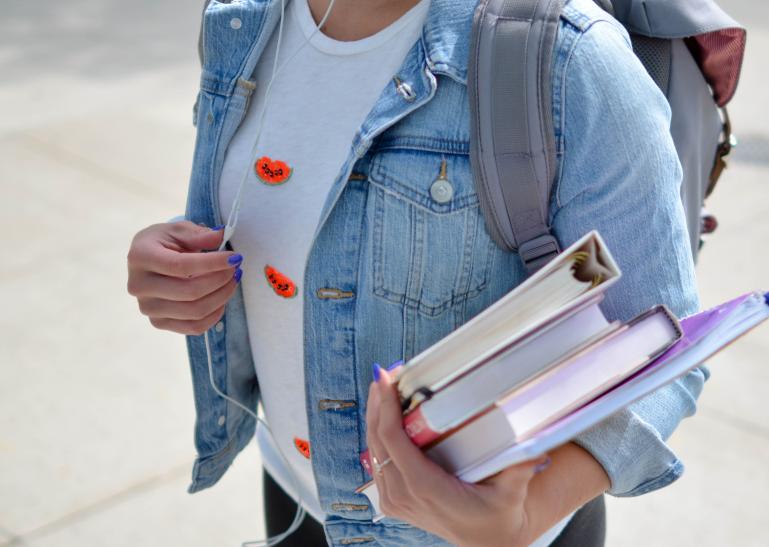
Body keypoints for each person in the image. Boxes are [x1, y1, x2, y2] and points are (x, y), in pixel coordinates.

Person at [125, 0, 708, 544]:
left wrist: (522, 518)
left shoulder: (566, 58)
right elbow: (290, 207)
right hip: (296, 496)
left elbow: (659, 342)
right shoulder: (241, 19)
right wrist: (178, 266)